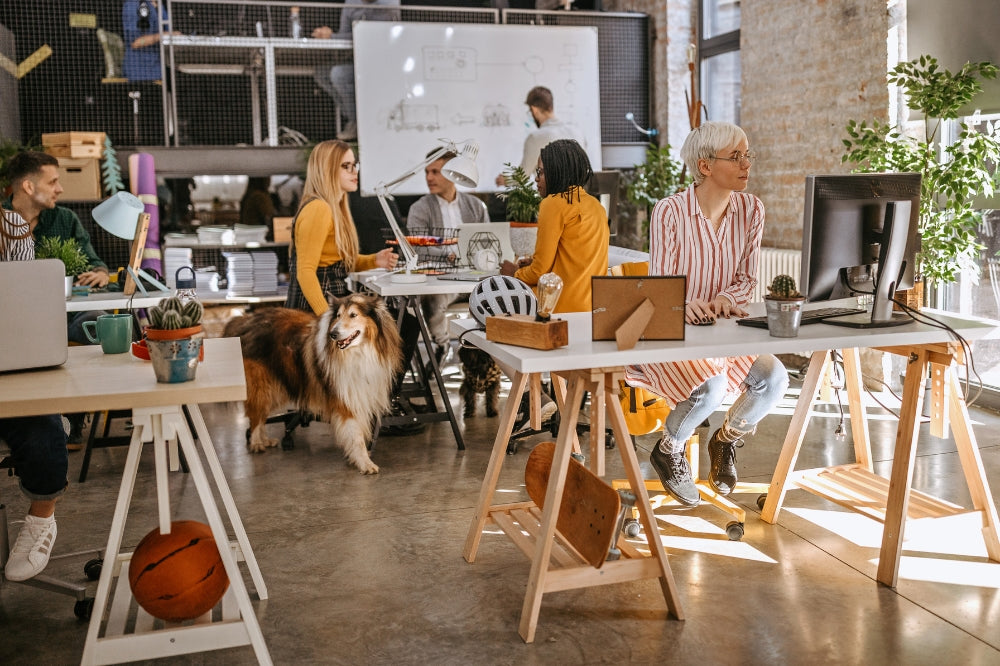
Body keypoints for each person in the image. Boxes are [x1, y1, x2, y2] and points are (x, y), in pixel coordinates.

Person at [623, 121, 789, 508]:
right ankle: (669, 448)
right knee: (711, 386)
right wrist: (686, 302)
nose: (747, 164)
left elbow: (747, 278)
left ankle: (725, 439)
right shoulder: (669, 212)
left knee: (774, 377)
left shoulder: (752, 210)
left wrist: (723, 300)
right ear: (705, 166)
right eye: (736, 157)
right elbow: (662, 287)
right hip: (669, 331)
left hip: (724, 331)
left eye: (748, 155)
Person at [0, 210, 69, 582]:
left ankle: (41, 520)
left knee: (44, 431)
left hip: (10, 372)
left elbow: (24, 304)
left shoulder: (11, 227)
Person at [500, 139, 608, 313]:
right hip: (591, 310)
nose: (536, 178)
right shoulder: (596, 206)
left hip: (557, 307)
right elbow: (575, 259)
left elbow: (538, 273)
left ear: (556, 172)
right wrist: (534, 262)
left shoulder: (553, 204)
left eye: (540, 172)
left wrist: (514, 273)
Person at [405, 148, 489, 362]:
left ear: (453, 173)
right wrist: (448, 256)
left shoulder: (476, 206)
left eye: (435, 172)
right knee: (432, 300)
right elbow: (417, 247)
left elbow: (489, 241)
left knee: (495, 296)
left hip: (474, 277)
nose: (429, 178)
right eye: (427, 172)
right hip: (441, 281)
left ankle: (482, 354)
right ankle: (442, 346)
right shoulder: (420, 208)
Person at [312, 0, 401, 142]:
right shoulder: (351, 3)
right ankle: (356, 120)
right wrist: (330, 36)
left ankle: (360, 123)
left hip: (384, 63)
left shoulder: (389, 3)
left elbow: (373, 34)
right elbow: (345, 36)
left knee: (339, 74)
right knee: (322, 73)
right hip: (358, 61)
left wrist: (332, 36)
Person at [494, 85, 586, 188]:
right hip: (579, 199)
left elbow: (523, 177)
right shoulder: (577, 133)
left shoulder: (535, 138)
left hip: (552, 201)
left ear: (534, 110)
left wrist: (505, 180)